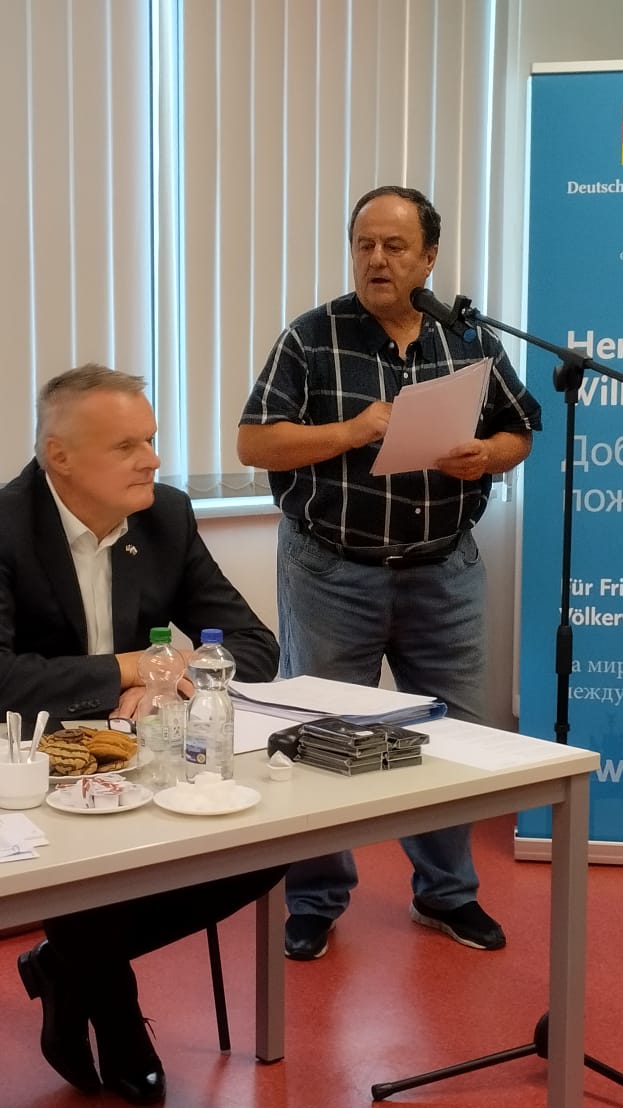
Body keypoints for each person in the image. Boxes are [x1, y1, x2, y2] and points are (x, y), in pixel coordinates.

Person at [0, 363, 284, 1105]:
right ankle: (116, 1012)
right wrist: (128, 667)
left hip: (138, 759)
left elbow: (255, 645)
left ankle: (65, 965)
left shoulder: (166, 516)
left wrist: (172, 677)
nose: (152, 460)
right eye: (127, 446)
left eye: (151, 440)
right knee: (88, 866)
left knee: (267, 850)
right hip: (24, 764)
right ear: (59, 456)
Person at [239, 185, 542, 962]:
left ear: (429, 258)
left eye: (395, 246)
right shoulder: (311, 337)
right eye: (364, 244)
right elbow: (255, 443)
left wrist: (487, 456)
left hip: (444, 572)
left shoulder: (467, 338)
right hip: (331, 571)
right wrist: (351, 431)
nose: (376, 259)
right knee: (317, 735)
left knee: (457, 736)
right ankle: (315, 900)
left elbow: (520, 429)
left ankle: (446, 893)